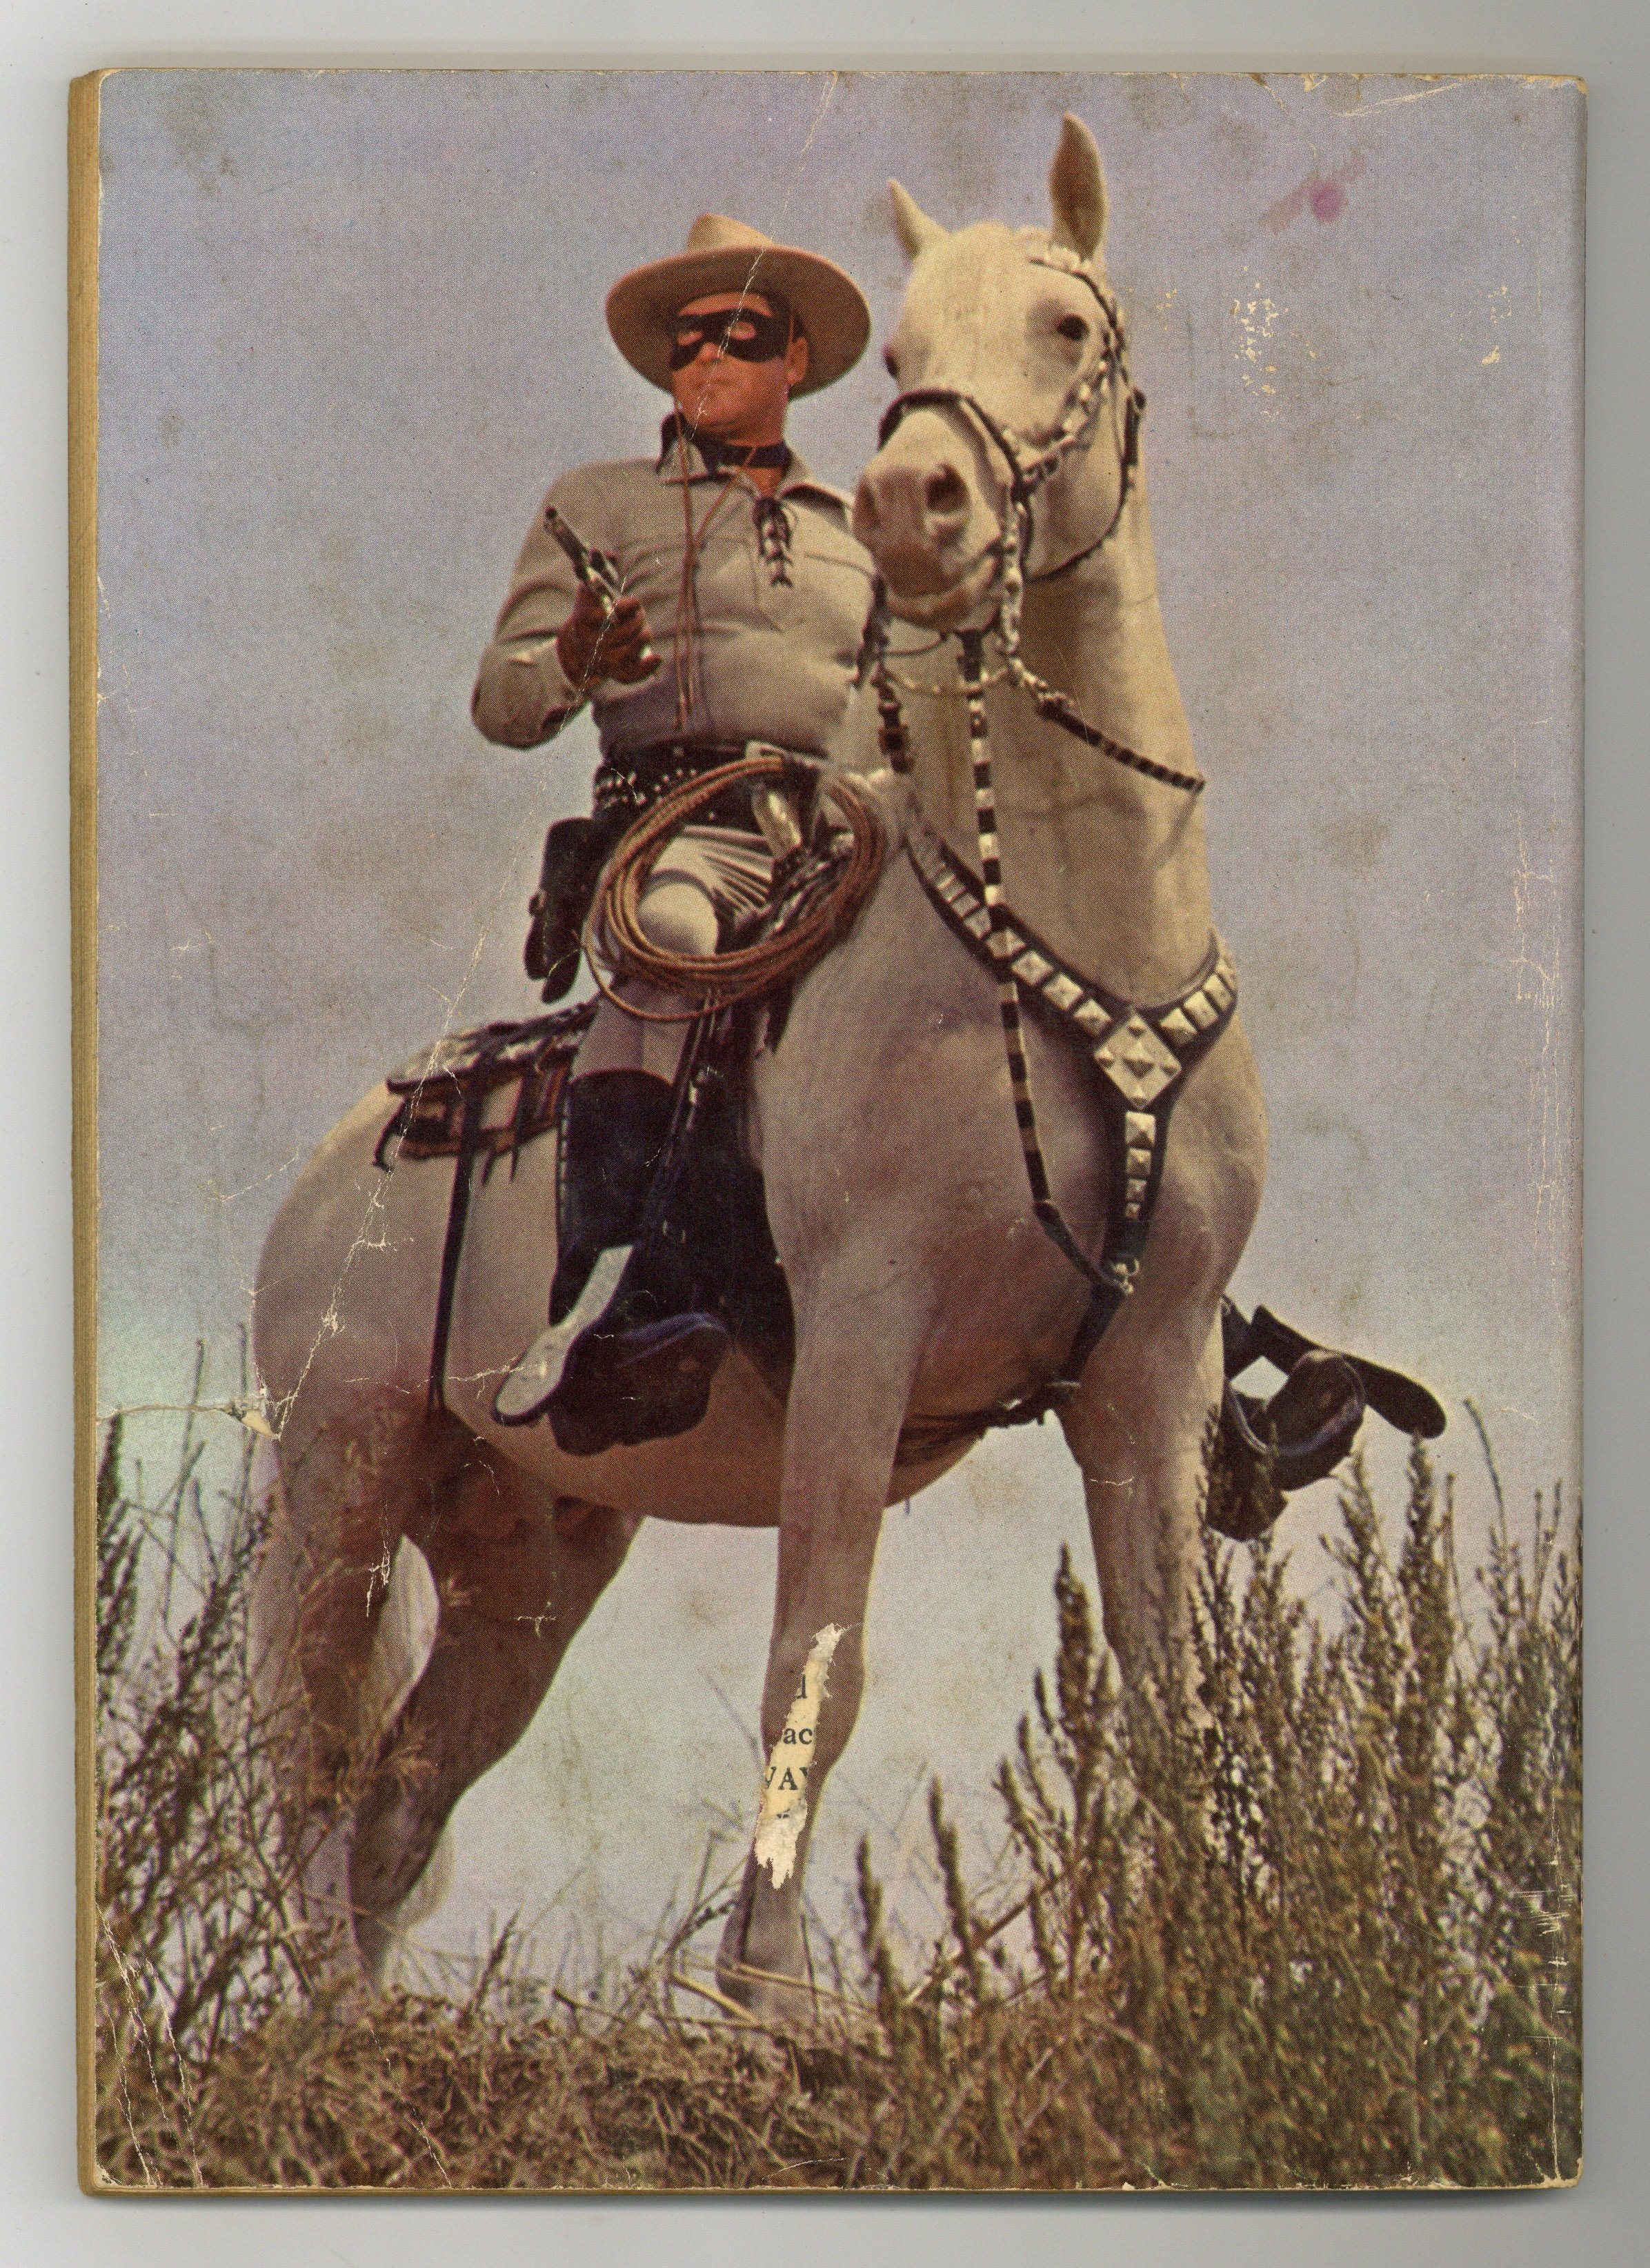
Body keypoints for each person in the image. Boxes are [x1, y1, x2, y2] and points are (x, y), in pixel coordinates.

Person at [473, 214, 875, 1448]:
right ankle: (608, 1305)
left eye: (737, 336)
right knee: (674, 938)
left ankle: (1172, 1327)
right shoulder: (598, 505)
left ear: (793, 357)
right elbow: (503, 701)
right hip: (678, 828)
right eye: (685, 342)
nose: (703, 359)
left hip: (843, 842)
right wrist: (575, 656)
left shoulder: (861, 532)